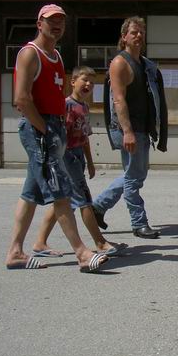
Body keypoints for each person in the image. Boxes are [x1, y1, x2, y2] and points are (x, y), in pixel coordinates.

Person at [5, 4, 107, 272]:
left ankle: (15, 252)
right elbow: (21, 99)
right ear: (39, 24)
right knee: (60, 190)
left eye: (61, 21)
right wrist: (45, 130)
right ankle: (82, 253)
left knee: (30, 193)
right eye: (51, 20)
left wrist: (59, 128)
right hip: (40, 128)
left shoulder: (56, 56)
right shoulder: (30, 53)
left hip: (54, 127)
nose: (57, 25)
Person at [32, 66, 122, 257]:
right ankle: (100, 242)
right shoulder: (66, 105)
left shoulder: (84, 107)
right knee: (84, 200)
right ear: (73, 82)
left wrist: (90, 162)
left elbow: (85, 137)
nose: (88, 84)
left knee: (62, 200)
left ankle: (40, 242)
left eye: (92, 82)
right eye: (84, 80)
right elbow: (59, 135)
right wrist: (62, 159)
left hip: (78, 156)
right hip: (67, 156)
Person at [93, 16, 168, 239]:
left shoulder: (146, 65)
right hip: (129, 128)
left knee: (135, 174)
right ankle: (139, 223)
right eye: (134, 32)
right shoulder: (120, 63)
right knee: (134, 178)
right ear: (124, 36)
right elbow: (118, 100)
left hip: (143, 127)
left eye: (141, 32)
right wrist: (127, 131)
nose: (139, 36)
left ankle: (97, 207)